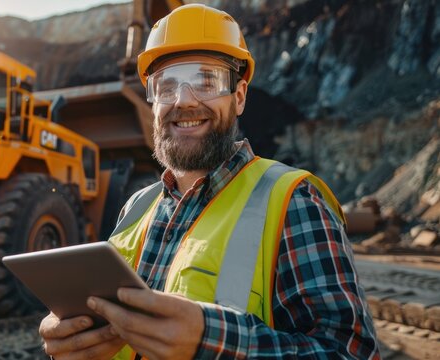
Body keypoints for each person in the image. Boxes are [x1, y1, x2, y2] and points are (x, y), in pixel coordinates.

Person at [39, 4, 380, 359]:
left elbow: (350, 352)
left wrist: (210, 340)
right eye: (166, 86)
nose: (183, 100)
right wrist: (70, 338)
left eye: (207, 81)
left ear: (240, 96)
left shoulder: (294, 201)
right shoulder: (136, 207)